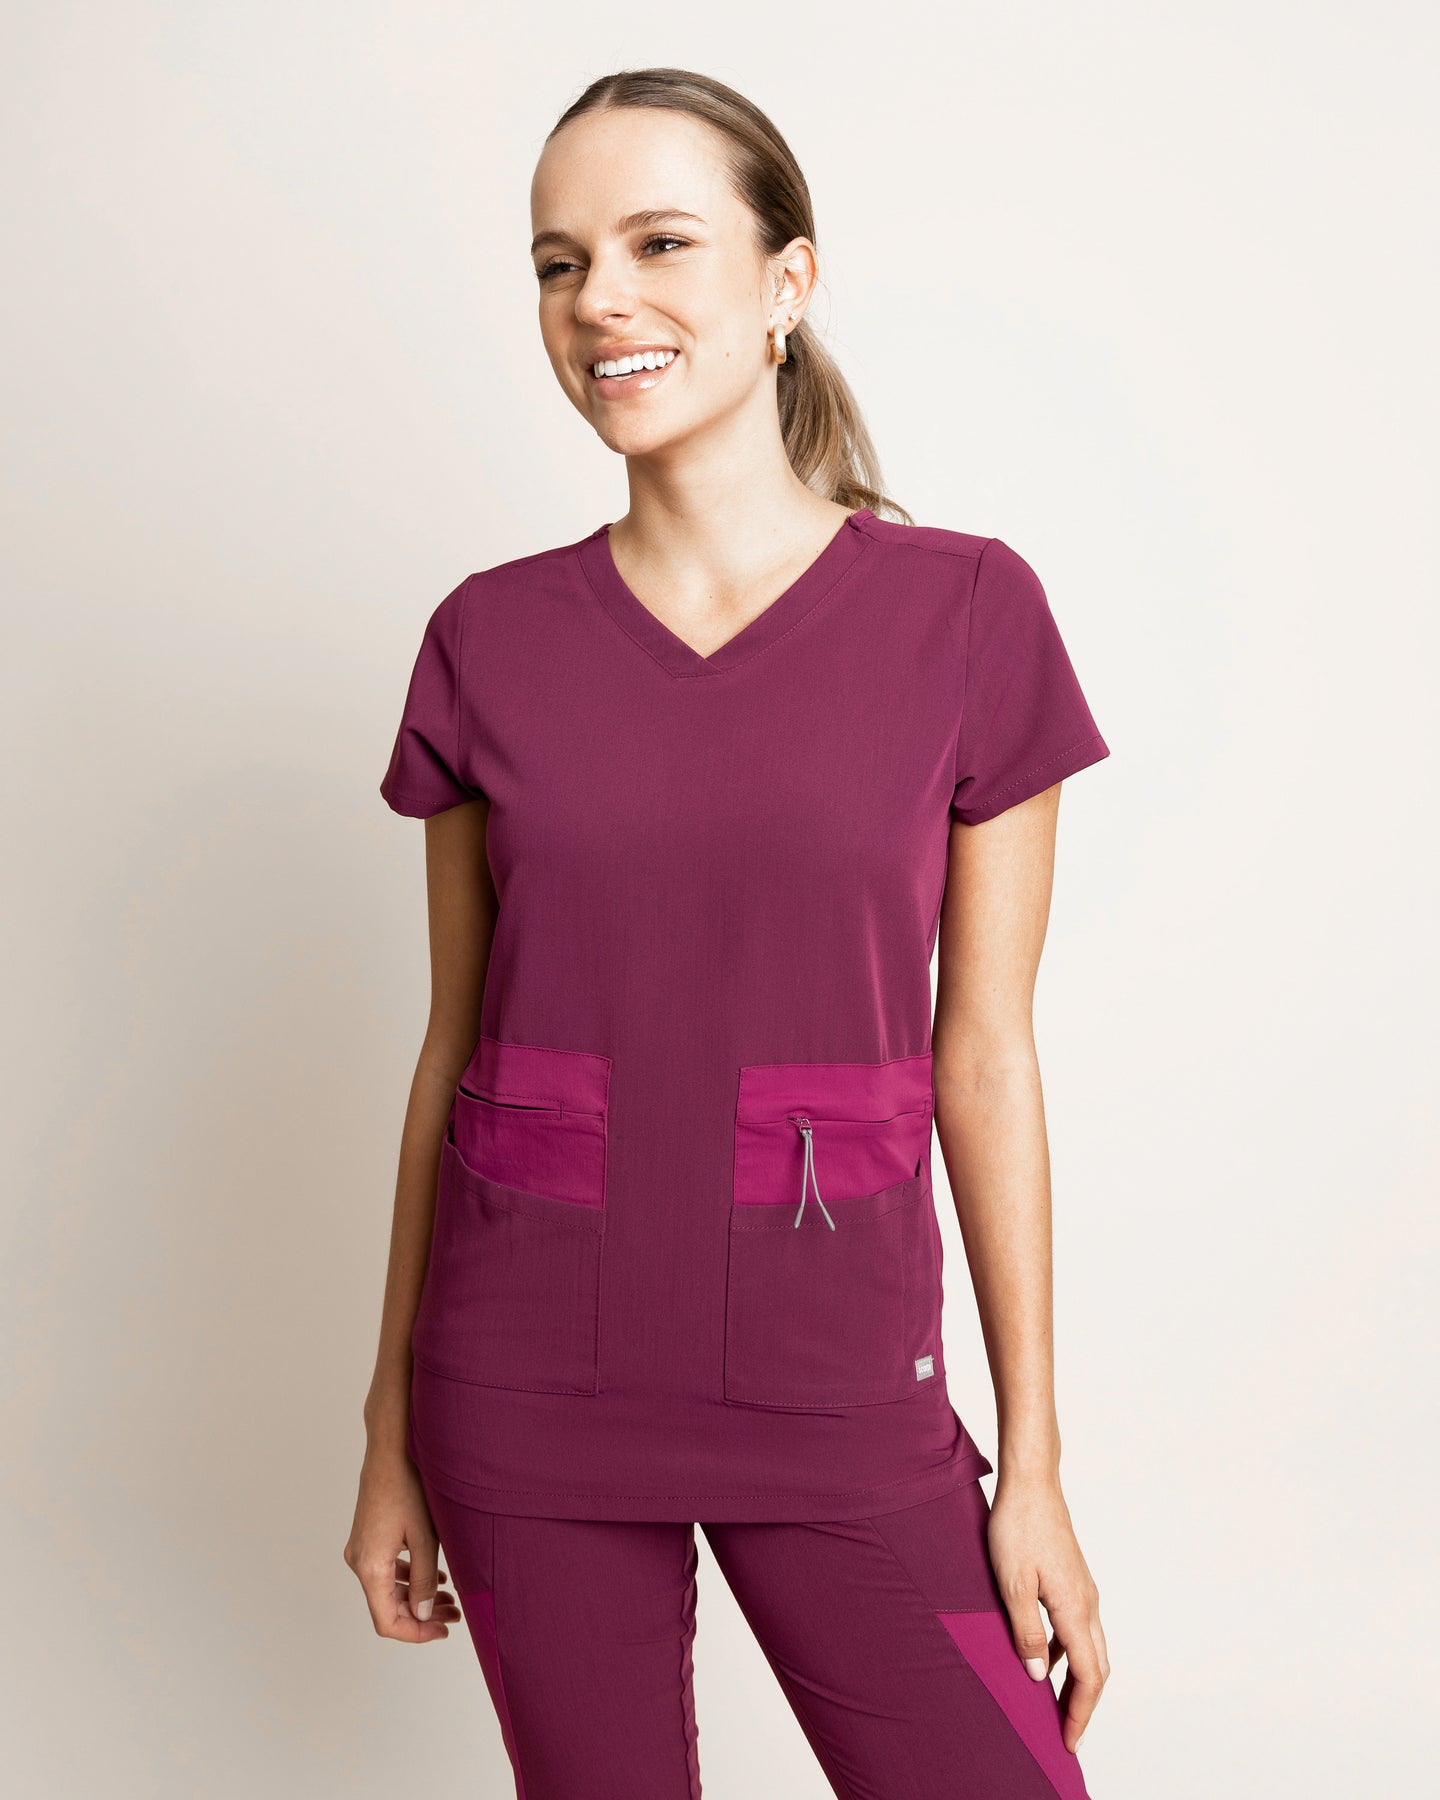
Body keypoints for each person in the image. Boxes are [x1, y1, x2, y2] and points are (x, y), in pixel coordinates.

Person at [345, 65, 1113, 1800]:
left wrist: (1037, 1467)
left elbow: (987, 1056)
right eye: (559, 263)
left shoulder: (969, 614)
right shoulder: (485, 641)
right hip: (522, 1391)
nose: (598, 299)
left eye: (659, 243)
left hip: (839, 1381)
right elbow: (455, 1048)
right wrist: (389, 1426)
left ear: (788, 281)